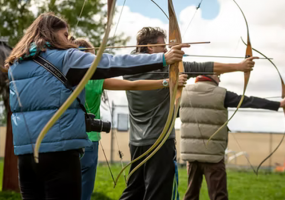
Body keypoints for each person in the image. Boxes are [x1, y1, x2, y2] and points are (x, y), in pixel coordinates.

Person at [5, 13, 188, 200]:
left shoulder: (17, 63)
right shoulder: (67, 58)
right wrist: (162, 58)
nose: (69, 40)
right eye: (65, 35)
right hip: (59, 154)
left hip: (26, 155)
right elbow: (112, 62)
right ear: (52, 34)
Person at [119, 27, 258, 200]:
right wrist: (239, 66)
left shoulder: (127, 66)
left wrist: (173, 74)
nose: (166, 50)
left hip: (136, 142)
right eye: (163, 47)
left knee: (134, 191)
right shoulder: (163, 70)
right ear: (149, 47)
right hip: (160, 142)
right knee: (158, 193)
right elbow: (202, 67)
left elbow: (199, 67)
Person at [73, 38, 188, 200]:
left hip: (64, 140)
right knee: (83, 193)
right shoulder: (94, 80)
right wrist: (167, 82)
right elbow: (132, 85)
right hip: (89, 140)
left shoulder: (60, 77)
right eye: (92, 58)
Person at [180, 74, 285, 200]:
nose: (220, 79)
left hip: (191, 156)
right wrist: (279, 104)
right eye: (218, 75)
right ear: (211, 76)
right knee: (219, 196)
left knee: (191, 195)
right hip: (213, 155)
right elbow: (248, 101)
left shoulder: (183, 93)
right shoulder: (221, 94)